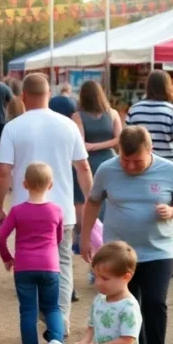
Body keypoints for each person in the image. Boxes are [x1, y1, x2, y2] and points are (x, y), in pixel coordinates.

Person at [81, 127, 173, 344]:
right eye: (126, 160)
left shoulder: (168, 170)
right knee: (125, 307)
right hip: (119, 253)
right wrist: (85, 237)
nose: (131, 166)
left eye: (138, 161)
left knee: (155, 303)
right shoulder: (108, 170)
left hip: (158, 251)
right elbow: (93, 202)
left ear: (150, 150)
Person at [0, 73, 92, 330]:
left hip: (24, 212)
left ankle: (41, 312)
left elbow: (3, 171)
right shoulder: (68, 125)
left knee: (29, 262)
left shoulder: (13, 127)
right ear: (49, 94)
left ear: (22, 96)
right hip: (62, 212)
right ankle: (61, 322)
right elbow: (83, 168)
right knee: (62, 265)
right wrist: (91, 201)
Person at [0, 162, 72, 344]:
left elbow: (1, 237)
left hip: (24, 266)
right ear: (51, 185)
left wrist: (7, 258)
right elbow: (58, 238)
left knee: (28, 312)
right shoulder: (56, 210)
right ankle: (56, 340)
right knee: (52, 308)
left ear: (24, 184)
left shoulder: (18, 211)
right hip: (50, 266)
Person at [125, 70, 173, 278]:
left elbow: (127, 139)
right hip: (168, 169)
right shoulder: (172, 111)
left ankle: (135, 258)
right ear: (168, 87)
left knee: (138, 211)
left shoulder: (135, 110)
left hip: (139, 168)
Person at [73, 80, 122, 238]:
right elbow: (119, 139)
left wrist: (93, 146)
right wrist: (102, 145)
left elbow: (82, 143)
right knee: (110, 196)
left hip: (87, 162)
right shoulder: (113, 113)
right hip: (109, 159)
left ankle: (88, 234)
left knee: (87, 197)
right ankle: (109, 230)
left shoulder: (77, 116)